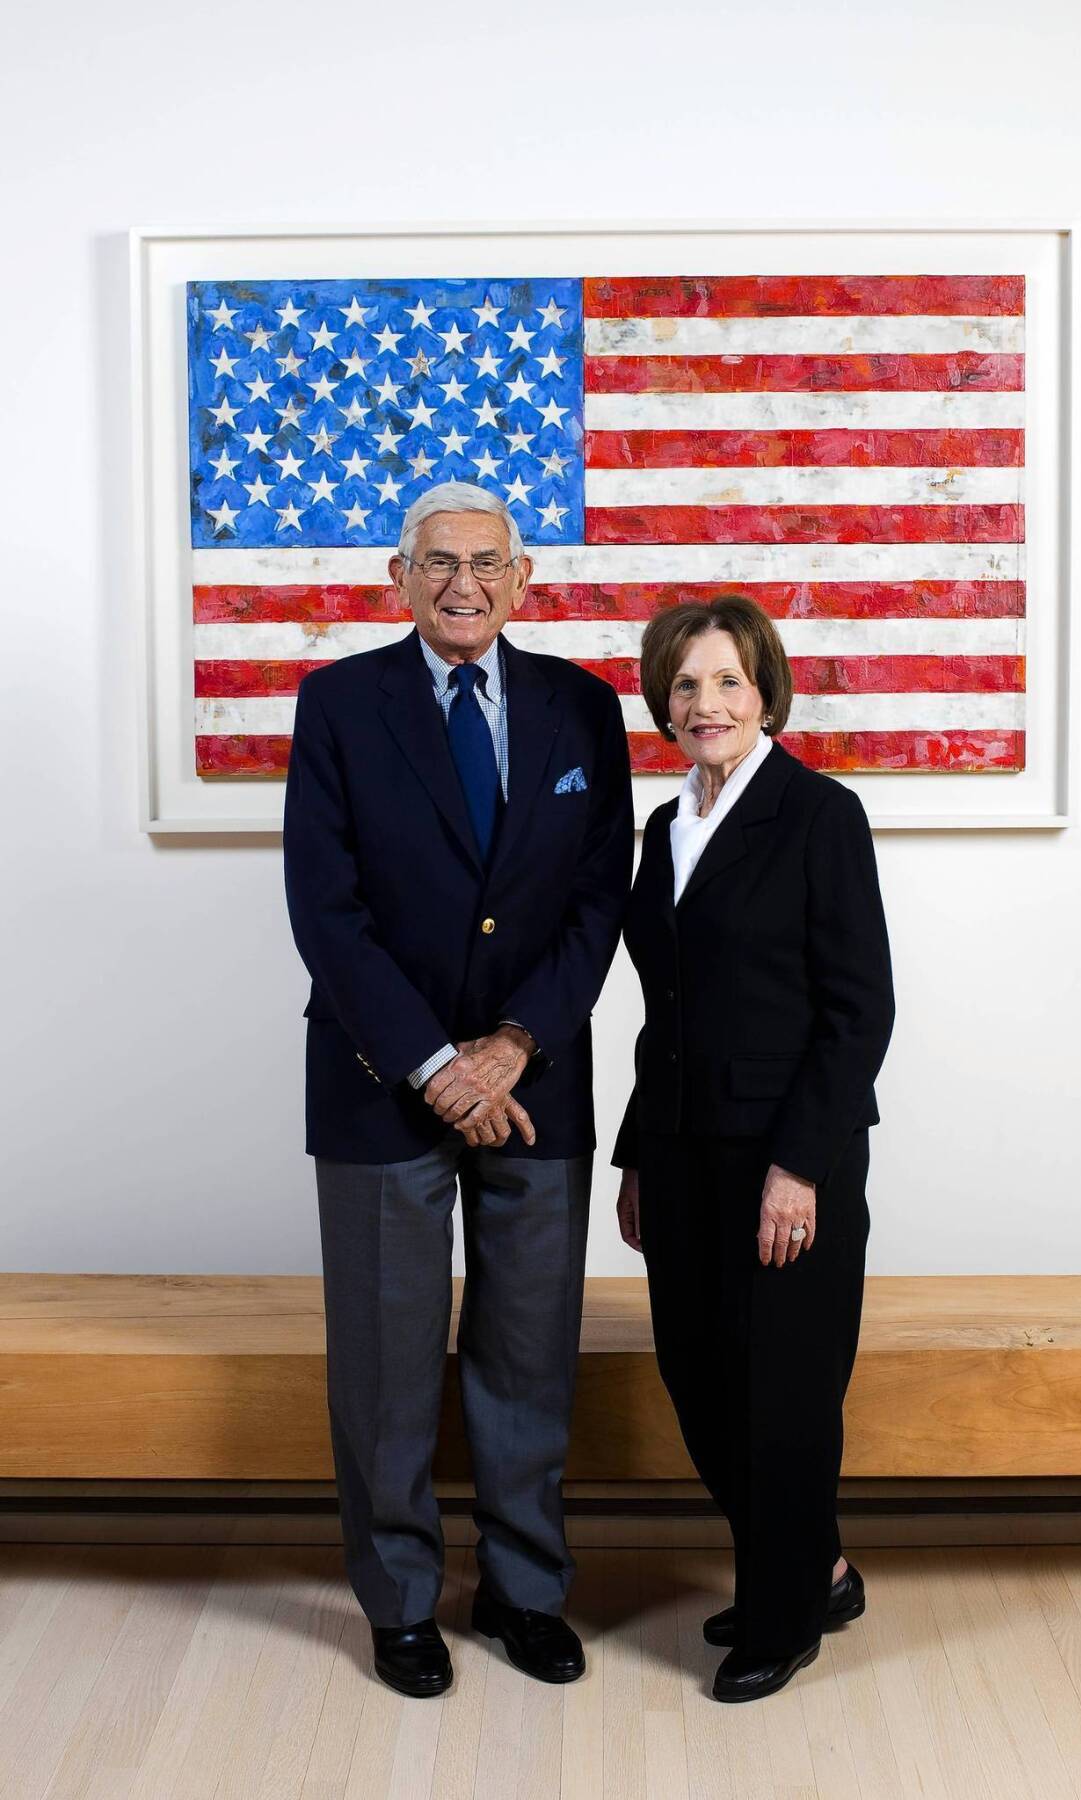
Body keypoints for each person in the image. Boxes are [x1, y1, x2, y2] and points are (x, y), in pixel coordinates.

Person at [283, 482, 633, 1699]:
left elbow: (602, 900)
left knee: (527, 1351)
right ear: (399, 574)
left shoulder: (586, 710)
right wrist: (438, 1064)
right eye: (439, 563)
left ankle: (527, 1593)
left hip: (538, 1084)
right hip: (383, 1085)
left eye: (488, 563)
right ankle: (399, 1604)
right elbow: (326, 912)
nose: (463, 586)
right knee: (385, 1361)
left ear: (524, 577)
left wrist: (515, 1045)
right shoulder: (336, 705)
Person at [612, 594, 895, 1704]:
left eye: (727, 680)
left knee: (783, 1389)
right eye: (685, 684)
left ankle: (783, 1615)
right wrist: (639, 1154)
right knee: (698, 1376)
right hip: (681, 1153)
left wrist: (803, 1165)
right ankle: (815, 1569)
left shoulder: (821, 814)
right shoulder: (663, 826)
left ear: (765, 690)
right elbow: (663, 1009)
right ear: (662, 704)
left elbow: (858, 1009)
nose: (706, 702)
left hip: (788, 1154)